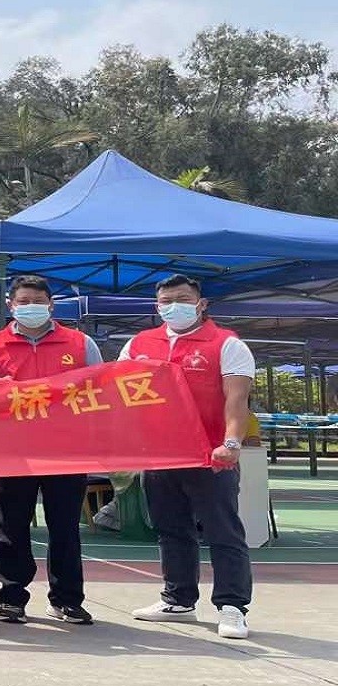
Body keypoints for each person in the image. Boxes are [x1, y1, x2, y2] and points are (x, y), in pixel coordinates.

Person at [121, 274, 255, 640]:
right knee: (171, 529)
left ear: (201, 304)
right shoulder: (139, 344)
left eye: (182, 299)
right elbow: (118, 395)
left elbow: (237, 399)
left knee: (222, 530)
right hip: (161, 456)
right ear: (157, 306)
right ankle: (178, 599)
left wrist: (231, 443)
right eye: (166, 301)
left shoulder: (227, 344)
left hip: (211, 456)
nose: (173, 306)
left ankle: (232, 607)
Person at [0, 275, 102, 625]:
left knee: (65, 527)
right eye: (23, 301)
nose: (31, 307)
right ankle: (12, 597)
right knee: (12, 526)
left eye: (38, 301)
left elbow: (100, 389)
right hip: (14, 451)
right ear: (11, 306)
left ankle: (67, 599)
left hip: (66, 450)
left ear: (51, 305)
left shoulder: (81, 343)